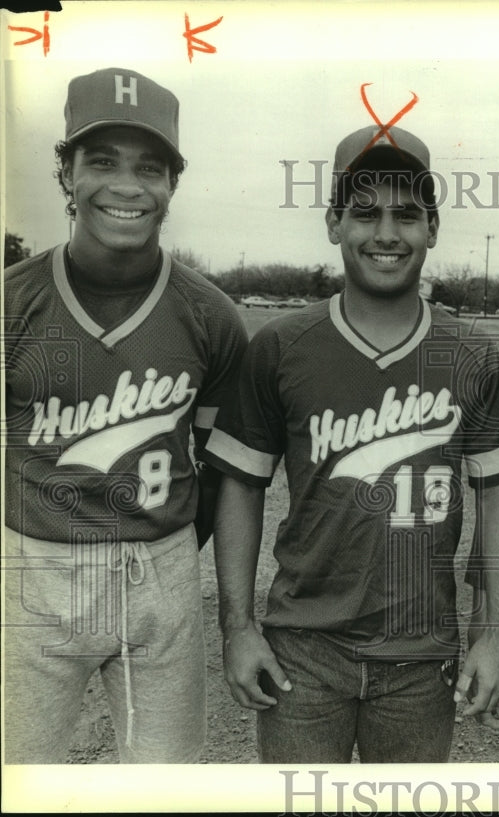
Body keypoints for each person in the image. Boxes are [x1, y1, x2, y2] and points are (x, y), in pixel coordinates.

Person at [204, 123, 499, 763]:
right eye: (365, 212)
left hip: (421, 653)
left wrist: (497, 635)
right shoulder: (282, 347)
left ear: (433, 228)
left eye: (407, 215)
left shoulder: (469, 353)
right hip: (303, 648)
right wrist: (237, 629)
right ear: (332, 222)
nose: (386, 233)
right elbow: (240, 485)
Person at [3, 67, 247, 763]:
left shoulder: (211, 315)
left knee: (164, 789)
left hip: (161, 574)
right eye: (101, 161)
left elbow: (225, 473)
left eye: (150, 166)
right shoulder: (13, 302)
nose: (126, 185)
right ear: (66, 175)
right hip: (32, 568)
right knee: (19, 780)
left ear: (173, 183)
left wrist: (168, 557)